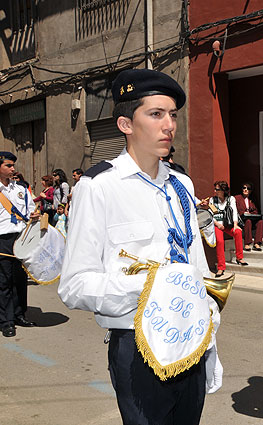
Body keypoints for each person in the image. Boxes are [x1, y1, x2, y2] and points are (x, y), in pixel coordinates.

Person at [58, 69, 222, 424]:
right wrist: (152, 287)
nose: (169, 126)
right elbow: (74, 285)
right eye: (156, 114)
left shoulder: (181, 183)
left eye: (173, 115)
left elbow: (196, 264)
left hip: (191, 336)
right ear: (125, 124)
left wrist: (209, 320)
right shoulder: (98, 185)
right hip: (137, 344)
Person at [0, 151, 38, 338]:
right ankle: (6, 321)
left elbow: (31, 209)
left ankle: (19, 314)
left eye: (13, 165)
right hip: (3, 240)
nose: (13, 169)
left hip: (22, 237)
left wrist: (34, 215)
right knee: (4, 281)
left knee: (20, 279)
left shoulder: (21, 188)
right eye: (8, 166)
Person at [210, 180, 247, 277]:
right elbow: (210, 215)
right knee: (220, 241)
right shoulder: (212, 200)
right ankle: (221, 267)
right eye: (215, 189)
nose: (215, 191)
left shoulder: (231, 199)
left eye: (217, 189)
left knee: (238, 232)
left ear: (223, 190)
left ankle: (239, 258)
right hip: (217, 224)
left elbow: (234, 211)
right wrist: (217, 224)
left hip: (228, 224)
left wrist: (235, 224)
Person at [234, 182, 263, 251]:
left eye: (248, 188)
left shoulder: (253, 199)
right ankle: (247, 243)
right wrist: (244, 213)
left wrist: (250, 213)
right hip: (242, 220)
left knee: (260, 222)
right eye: (244, 188)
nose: (246, 189)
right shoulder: (237, 198)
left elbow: (256, 211)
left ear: (251, 190)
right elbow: (235, 210)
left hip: (251, 218)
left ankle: (257, 243)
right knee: (248, 221)